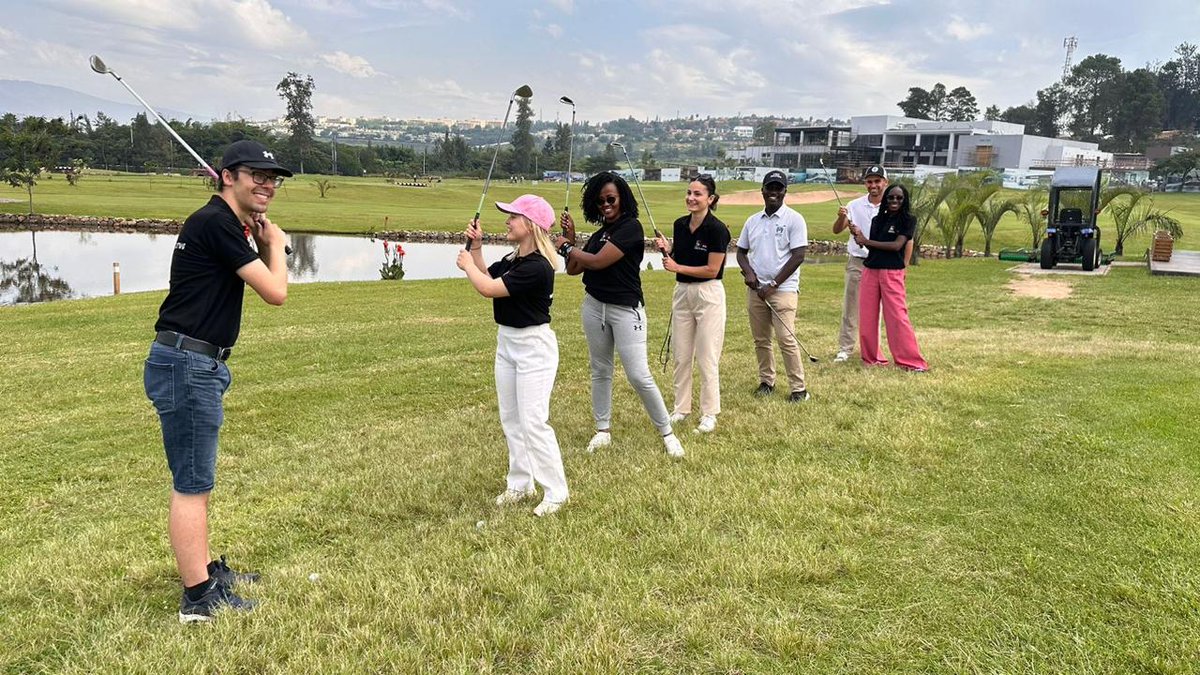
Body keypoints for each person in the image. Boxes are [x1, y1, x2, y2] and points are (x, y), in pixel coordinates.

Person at [142, 139, 291, 623]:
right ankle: (198, 598)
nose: (267, 184)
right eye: (257, 174)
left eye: (274, 178)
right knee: (192, 482)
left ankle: (205, 568)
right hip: (188, 363)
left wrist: (253, 233)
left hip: (195, 361)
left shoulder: (219, 222)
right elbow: (276, 292)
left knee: (198, 479)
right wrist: (275, 245)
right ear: (227, 175)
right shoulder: (218, 224)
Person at [557, 171, 685, 458]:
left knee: (639, 375)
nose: (606, 204)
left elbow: (598, 262)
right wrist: (572, 239)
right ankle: (602, 430)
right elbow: (574, 269)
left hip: (625, 311)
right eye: (600, 200)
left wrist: (566, 246)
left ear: (622, 199)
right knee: (600, 370)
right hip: (593, 307)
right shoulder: (601, 233)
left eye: (611, 199)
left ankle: (667, 432)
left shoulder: (631, 228)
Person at [455, 194, 569, 517]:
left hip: (534, 349)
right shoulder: (514, 259)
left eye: (513, 217)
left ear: (530, 226)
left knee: (533, 421)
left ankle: (556, 491)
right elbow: (490, 276)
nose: (507, 222)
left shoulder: (538, 267)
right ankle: (520, 483)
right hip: (507, 343)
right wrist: (475, 249)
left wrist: (466, 266)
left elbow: (487, 288)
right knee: (511, 418)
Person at [653, 175, 730, 434]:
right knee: (681, 355)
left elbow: (712, 269)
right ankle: (681, 408)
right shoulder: (679, 224)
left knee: (707, 356)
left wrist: (676, 266)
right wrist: (669, 249)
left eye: (698, 194)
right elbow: (681, 255)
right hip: (682, 293)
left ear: (711, 199)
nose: (691, 198)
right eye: (689, 192)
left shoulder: (717, 229)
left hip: (708, 294)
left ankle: (709, 413)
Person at [735, 170, 811, 402]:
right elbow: (740, 252)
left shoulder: (794, 219)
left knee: (786, 339)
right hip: (756, 289)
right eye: (770, 188)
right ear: (763, 191)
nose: (773, 193)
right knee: (761, 340)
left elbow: (798, 255)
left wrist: (774, 284)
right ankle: (767, 381)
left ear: (785, 191)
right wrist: (749, 273)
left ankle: (799, 389)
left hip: (783, 290)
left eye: (778, 188)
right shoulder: (752, 221)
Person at [850, 183, 929, 371]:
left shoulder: (908, 220)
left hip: (892, 272)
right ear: (886, 199)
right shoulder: (878, 220)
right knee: (867, 316)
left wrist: (865, 240)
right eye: (891, 197)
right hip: (871, 270)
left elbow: (896, 245)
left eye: (899, 198)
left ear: (904, 200)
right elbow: (873, 247)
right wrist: (860, 237)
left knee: (897, 316)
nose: (894, 201)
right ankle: (871, 357)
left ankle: (911, 361)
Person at [831, 165, 887, 362]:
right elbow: (837, 230)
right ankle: (845, 348)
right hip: (857, 261)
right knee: (851, 306)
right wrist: (841, 217)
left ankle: (872, 349)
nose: (873, 185)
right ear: (865, 183)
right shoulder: (854, 205)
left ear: (885, 183)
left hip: (880, 262)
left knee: (876, 309)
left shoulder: (891, 205)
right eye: (869, 181)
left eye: (877, 181)